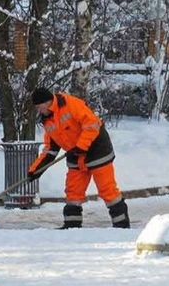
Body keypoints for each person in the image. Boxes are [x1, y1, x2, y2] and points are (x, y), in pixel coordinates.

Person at [27, 87, 130, 229]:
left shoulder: (70, 104)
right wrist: (36, 169)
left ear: (48, 102)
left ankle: (122, 225)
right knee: (73, 191)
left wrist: (81, 147)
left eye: (39, 106)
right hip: (74, 152)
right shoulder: (47, 120)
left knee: (107, 189)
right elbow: (51, 148)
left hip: (97, 148)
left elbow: (91, 124)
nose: (39, 110)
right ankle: (72, 226)